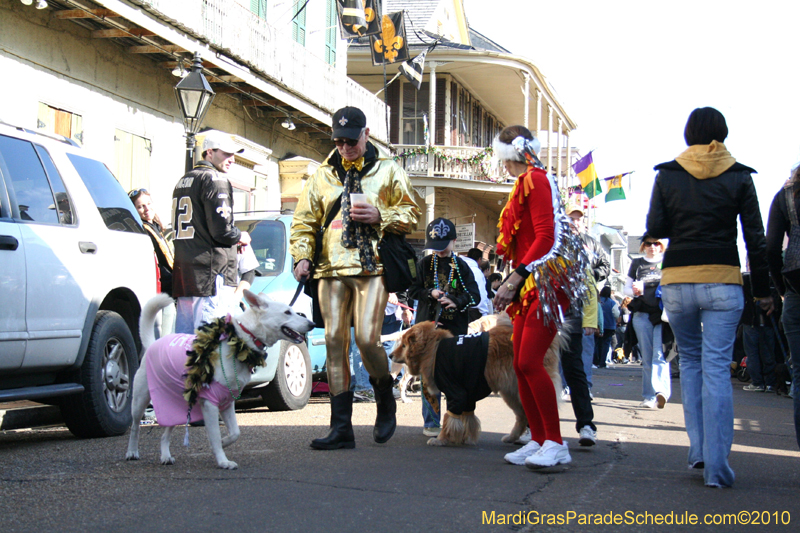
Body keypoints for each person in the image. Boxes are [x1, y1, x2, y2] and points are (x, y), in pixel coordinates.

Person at [647, 106, 773, 487]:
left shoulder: (668, 173)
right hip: (723, 278)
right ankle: (718, 467)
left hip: (678, 279)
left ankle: (698, 452)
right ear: (723, 133)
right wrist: (763, 292)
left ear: (688, 134)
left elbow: (656, 227)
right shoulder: (739, 175)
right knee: (717, 367)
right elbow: (755, 238)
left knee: (691, 362)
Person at [290, 106, 420, 450]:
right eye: (339, 141)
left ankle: (384, 395)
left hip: (371, 267)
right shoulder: (322, 175)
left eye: (351, 141)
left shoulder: (388, 169)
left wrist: (382, 215)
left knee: (366, 338)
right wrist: (302, 256)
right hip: (329, 268)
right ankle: (341, 427)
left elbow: (412, 214)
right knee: (334, 340)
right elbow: (303, 222)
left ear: (366, 134)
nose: (346, 147)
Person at [492, 125, 587, 468]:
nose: (501, 163)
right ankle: (538, 438)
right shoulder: (525, 182)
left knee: (530, 362)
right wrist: (514, 281)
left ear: (509, 154)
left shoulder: (537, 180)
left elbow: (546, 238)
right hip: (529, 283)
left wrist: (515, 278)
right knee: (520, 364)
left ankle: (555, 443)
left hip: (545, 284)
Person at [171, 132, 251, 334]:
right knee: (211, 341)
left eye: (233, 154)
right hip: (211, 274)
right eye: (226, 154)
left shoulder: (183, 180)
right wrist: (240, 236)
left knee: (185, 341)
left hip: (186, 274)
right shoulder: (215, 179)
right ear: (209, 152)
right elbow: (222, 231)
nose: (232, 159)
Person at [408, 218, 481, 436]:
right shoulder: (423, 264)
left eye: (443, 245)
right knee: (428, 376)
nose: (439, 251)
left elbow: (475, 296)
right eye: (435, 246)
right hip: (427, 331)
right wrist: (429, 293)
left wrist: (456, 301)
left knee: (455, 376)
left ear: (454, 241)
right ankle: (431, 422)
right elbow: (412, 290)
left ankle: (454, 421)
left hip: (454, 331)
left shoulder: (462, 266)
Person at [765, 164, 800, 449]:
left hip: (796, 287)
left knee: (799, 374)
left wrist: (781, 288)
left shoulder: (786, 196)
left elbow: (771, 249)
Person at [566, 203, 610, 384]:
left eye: (578, 219)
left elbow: (605, 266)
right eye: (571, 218)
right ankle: (562, 385)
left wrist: (591, 274)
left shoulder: (592, 243)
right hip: (563, 300)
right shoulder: (557, 242)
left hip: (586, 300)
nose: (575, 222)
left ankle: (585, 384)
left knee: (586, 343)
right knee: (561, 344)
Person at [129, 188, 176, 338]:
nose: (146, 208)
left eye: (148, 203)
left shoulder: (155, 228)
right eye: (140, 206)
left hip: (169, 289)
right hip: (161, 289)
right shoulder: (142, 230)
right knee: (165, 335)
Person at [740, 270, 777, 393]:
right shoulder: (772, 279)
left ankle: (757, 382)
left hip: (751, 319)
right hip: (768, 321)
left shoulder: (746, 279)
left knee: (752, 354)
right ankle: (770, 383)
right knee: (768, 352)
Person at [464, 248, 492, 321]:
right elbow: (481, 293)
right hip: (473, 311)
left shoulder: (462, 267)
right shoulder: (476, 271)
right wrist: (484, 313)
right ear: (479, 259)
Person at [597, 286, 620, 367]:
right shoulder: (612, 302)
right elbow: (616, 314)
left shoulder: (598, 301)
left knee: (597, 343)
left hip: (597, 325)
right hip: (609, 325)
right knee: (606, 344)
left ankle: (596, 361)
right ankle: (602, 362)